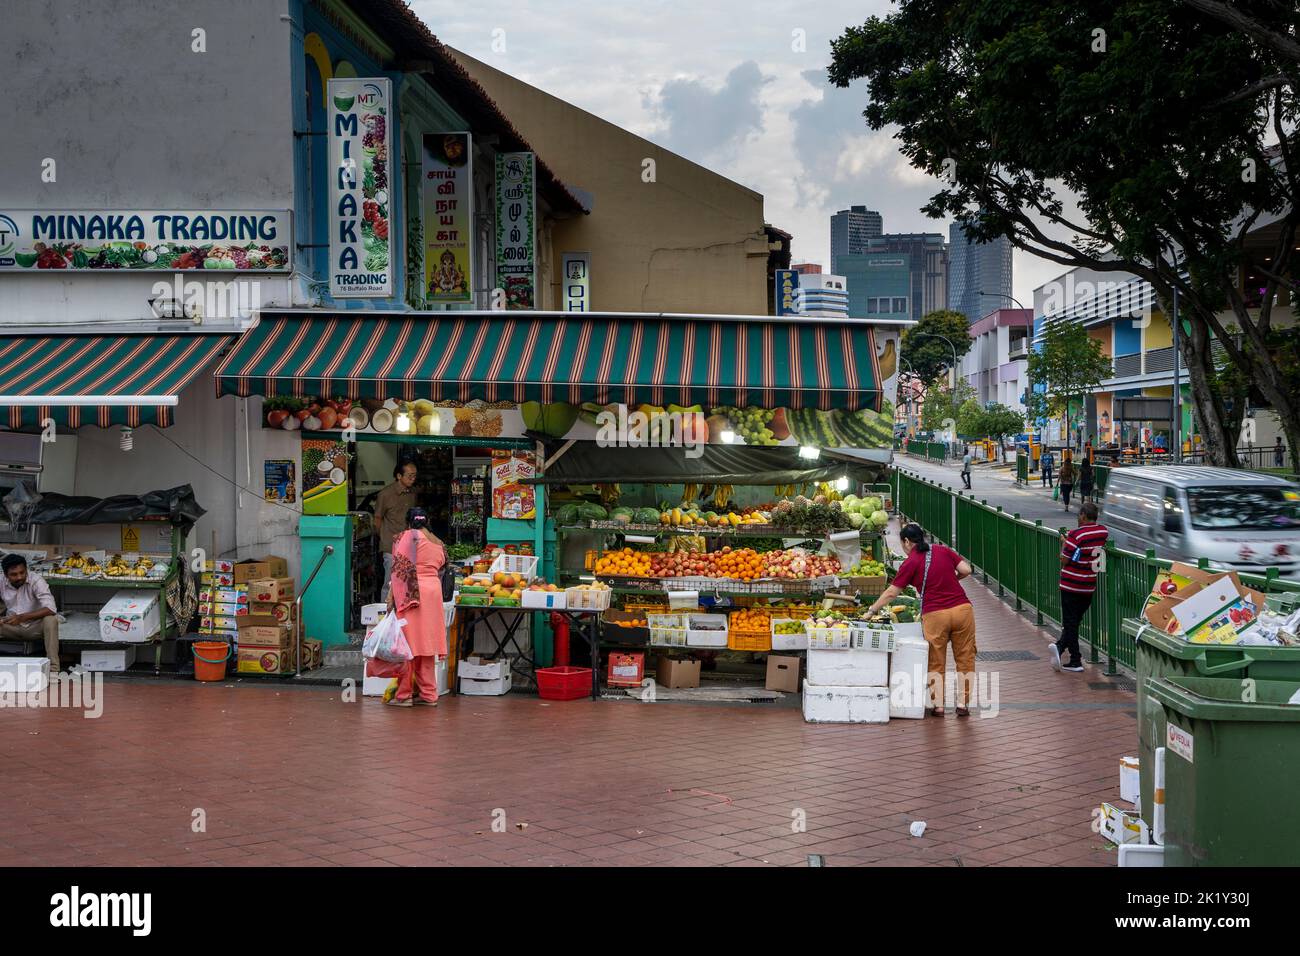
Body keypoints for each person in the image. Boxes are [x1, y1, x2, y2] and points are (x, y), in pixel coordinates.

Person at [865, 523, 976, 718]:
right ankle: (962, 704)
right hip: (962, 610)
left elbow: (892, 592)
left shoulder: (911, 562)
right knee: (965, 658)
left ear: (907, 541)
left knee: (936, 660)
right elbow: (966, 570)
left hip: (935, 615)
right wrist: (952, 580)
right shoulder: (943, 550)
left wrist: (871, 610)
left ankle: (939, 706)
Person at [386, 507, 448, 707]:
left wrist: (392, 597)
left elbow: (400, 568)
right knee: (426, 644)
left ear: (409, 521)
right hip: (433, 592)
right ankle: (429, 694)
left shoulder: (409, 536)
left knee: (408, 645)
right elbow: (443, 566)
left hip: (413, 593)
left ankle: (404, 695)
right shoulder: (437, 541)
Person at [1050, 501, 1109, 674]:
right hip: (1088, 585)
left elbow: (1065, 559)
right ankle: (1060, 649)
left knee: (1070, 622)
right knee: (1074, 622)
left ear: (1083, 515)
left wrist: (1064, 542)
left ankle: (1075, 660)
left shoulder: (1076, 534)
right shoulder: (1102, 531)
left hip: (1071, 585)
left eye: (1078, 515)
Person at [1, 553, 60, 671]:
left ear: (26, 570)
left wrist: (22, 617)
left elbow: (51, 608)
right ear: (6, 575)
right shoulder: (1, 581)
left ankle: (54, 668)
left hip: (34, 627)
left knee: (51, 620)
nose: (19, 577)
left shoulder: (36, 580)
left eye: (22, 572)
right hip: (11, 626)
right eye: (14, 574)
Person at [374, 460, 418, 602]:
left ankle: (402, 616)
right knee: (389, 583)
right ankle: (383, 617)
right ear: (399, 476)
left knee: (406, 583)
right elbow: (377, 519)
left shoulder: (412, 494)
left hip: (408, 546)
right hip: (390, 546)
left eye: (414, 476)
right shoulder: (385, 494)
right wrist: (384, 538)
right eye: (410, 476)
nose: (413, 479)